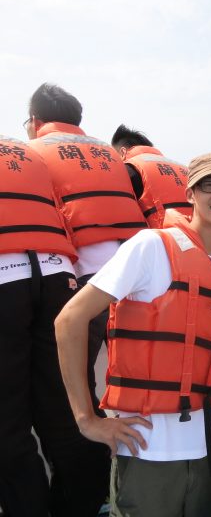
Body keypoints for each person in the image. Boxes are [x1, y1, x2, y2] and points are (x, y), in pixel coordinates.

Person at [55, 152, 211, 517]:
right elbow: (69, 320)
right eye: (209, 184)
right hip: (149, 450)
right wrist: (87, 419)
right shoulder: (150, 246)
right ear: (190, 192)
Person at [0, 135, 110, 517]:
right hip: (58, 272)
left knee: (7, 426)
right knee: (64, 410)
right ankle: (88, 506)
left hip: (4, 282)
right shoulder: (28, 152)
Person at [26, 83, 147, 413]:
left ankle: (91, 443)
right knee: (139, 370)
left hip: (89, 278)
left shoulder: (34, 151)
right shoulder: (112, 154)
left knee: (74, 383)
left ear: (35, 121)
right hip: (139, 268)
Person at [111, 124, 192, 228]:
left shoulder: (130, 168)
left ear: (122, 152)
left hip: (164, 240)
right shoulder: (185, 169)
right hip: (200, 239)